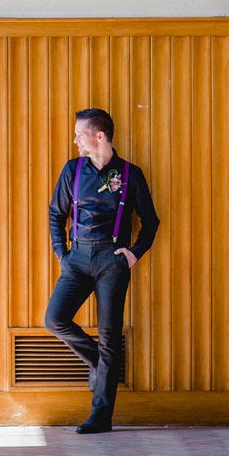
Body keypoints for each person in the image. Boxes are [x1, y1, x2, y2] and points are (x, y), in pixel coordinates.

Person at [45, 107, 159, 435]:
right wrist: (61, 255)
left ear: (100, 136)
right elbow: (56, 214)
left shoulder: (130, 173)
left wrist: (134, 254)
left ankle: (101, 417)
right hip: (77, 260)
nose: (75, 140)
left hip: (112, 261)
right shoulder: (72, 170)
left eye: (80, 134)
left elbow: (151, 221)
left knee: (110, 336)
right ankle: (98, 362)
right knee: (55, 320)